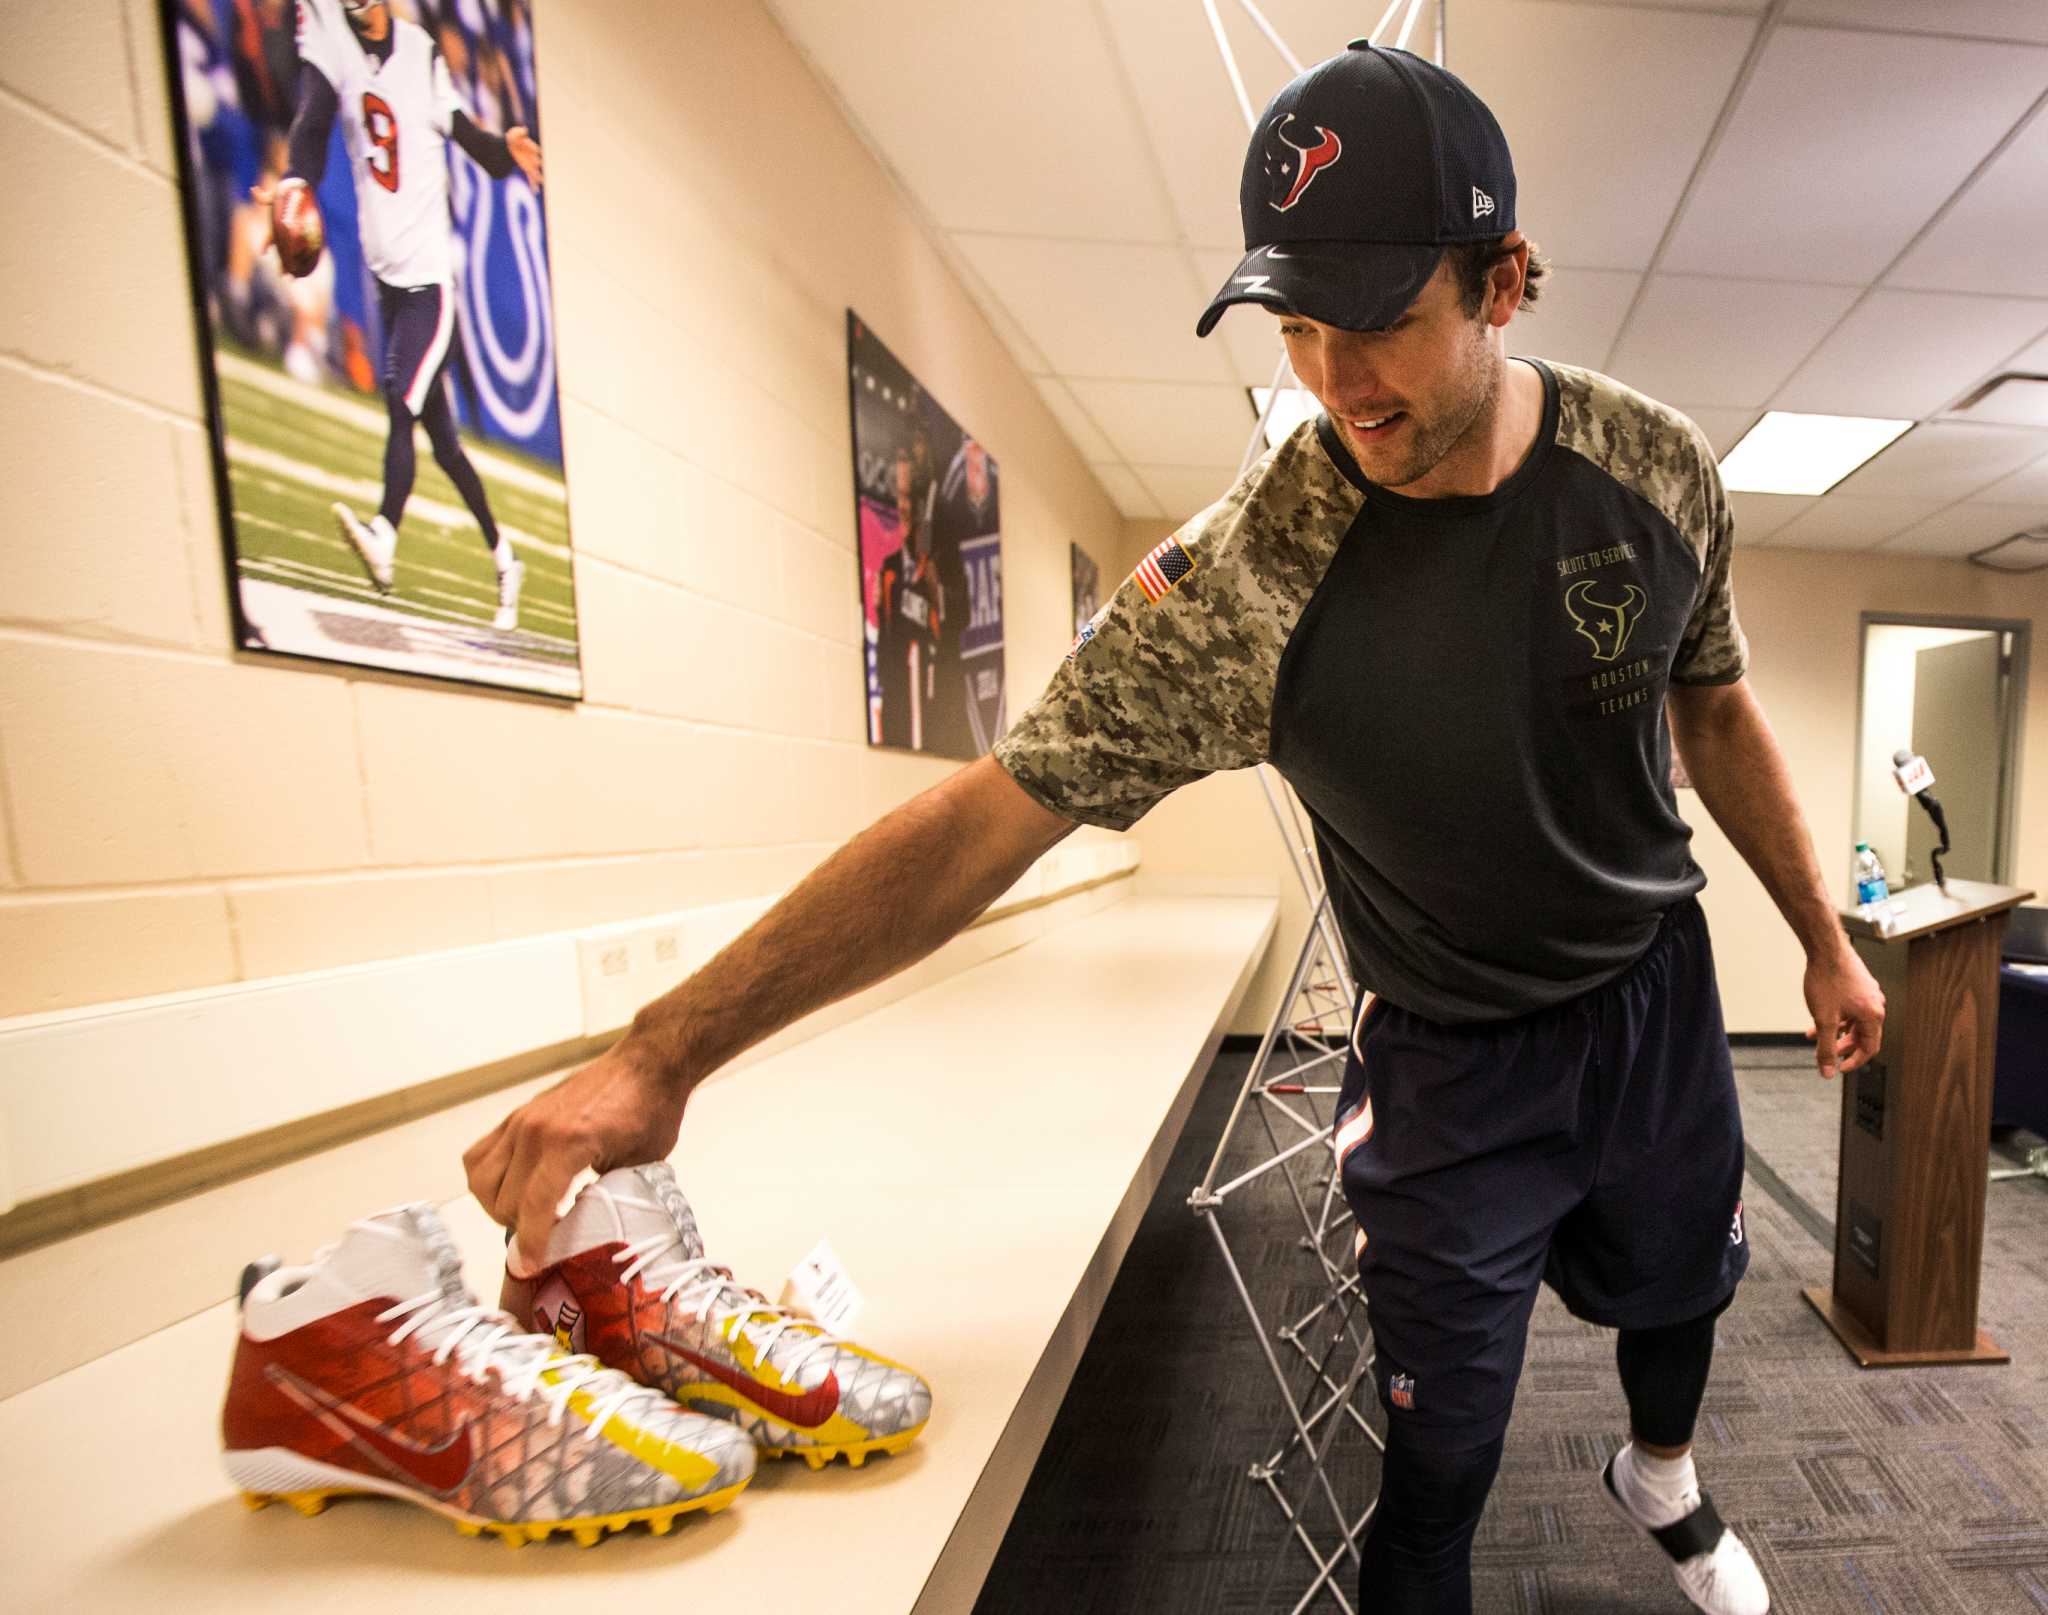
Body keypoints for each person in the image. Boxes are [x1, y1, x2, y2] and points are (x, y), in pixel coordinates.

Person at [465, 42, 1884, 1615]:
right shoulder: (1253, 581)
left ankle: (1662, 1477)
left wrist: (1822, 943)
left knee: (1684, 1285)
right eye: (1300, 329)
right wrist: (664, 1050)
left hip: (1651, 991)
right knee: (1438, 1464)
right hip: (1453, 1055)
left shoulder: (1654, 468)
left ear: (1504, 281)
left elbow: (1718, 705)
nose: (1339, 382)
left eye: (1384, 323)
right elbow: (983, 820)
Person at [260, 0, 542, 631]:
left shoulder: (421, 54)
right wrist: (293, 183)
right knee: (442, 443)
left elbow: (471, 141)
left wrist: (507, 150)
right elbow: (311, 121)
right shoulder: (330, 28)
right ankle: (506, 559)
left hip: (429, 285)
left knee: (397, 394)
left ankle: (384, 532)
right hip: (389, 283)